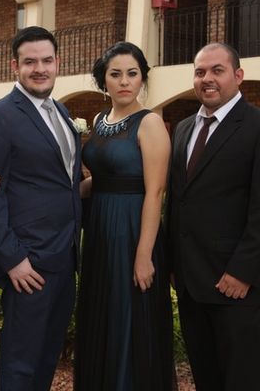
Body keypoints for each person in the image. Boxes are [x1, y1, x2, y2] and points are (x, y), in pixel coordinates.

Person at [166, 43, 260, 391]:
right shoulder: (182, 129)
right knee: (206, 376)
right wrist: (173, 263)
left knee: (243, 379)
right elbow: (179, 201)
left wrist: (242, 272)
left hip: (236, 284)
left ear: (238, 76)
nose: (207, 79)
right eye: (199, 72)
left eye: (217, 70)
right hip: (192, 283)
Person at [0, 26, 82, 391]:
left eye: (47, 61)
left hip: (64, 257)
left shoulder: (63, 112)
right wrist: (12, 258)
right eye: (30, 62)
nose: (40, 69)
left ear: (58, 63)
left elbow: (64, 184)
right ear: (14, 65)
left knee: (47, 357)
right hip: (29, 262)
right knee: (20, 363)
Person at [75, 42, 175, 390]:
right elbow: (98, 180)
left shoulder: (150, 123)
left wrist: (144, 254)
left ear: (142, 78)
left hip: (132, 230)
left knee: (127, 316)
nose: (124, 81)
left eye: (132, 73)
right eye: (115, 74)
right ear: (104, 80)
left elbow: (155, 192)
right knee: (101, 314)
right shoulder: (101, 121)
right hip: (100, 230)